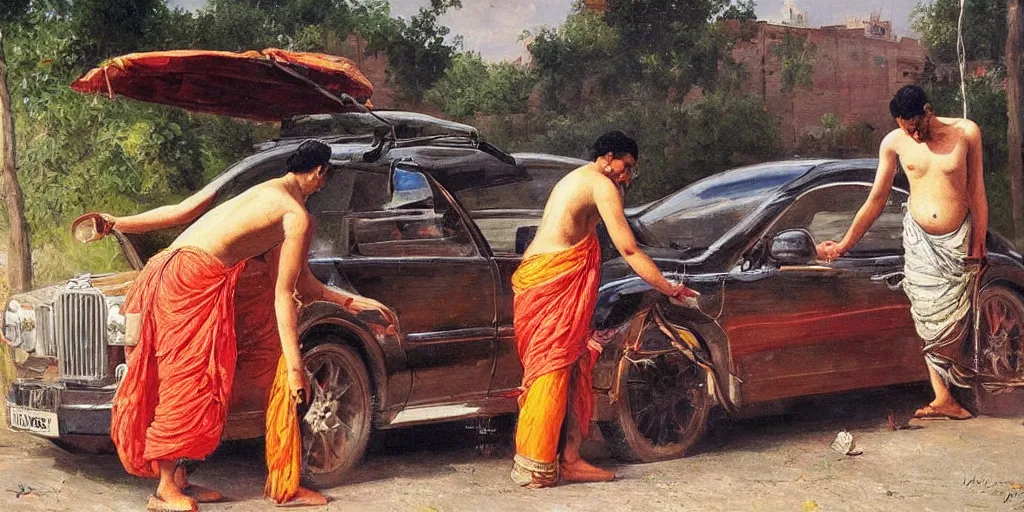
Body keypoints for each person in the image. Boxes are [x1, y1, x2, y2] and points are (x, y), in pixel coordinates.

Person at [88, 140, 377, 511]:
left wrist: (116, 223)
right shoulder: (295, 215)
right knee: (189, 380)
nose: (324, 184)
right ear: (319, 172)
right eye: (325, 177)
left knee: (205, 376)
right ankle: (165, 490)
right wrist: (294, 368)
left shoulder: (261, 191)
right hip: (190, 280)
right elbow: (284, 295)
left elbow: (182, 211)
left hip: (165, 270)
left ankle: (180, 479)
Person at [510, 131, 698, 487]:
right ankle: (536, 466)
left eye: (631, 171)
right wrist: (669, 288)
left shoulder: (578, 178)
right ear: (609, 157)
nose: (627, 176)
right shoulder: (600, 184)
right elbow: (628, 250)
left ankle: (568, 460)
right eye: (626, 166)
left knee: (570, 367)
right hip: (551, 282)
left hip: (542, 279)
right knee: (552, 370)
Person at [817, 85, 987, 421]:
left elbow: (976, 190)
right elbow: (876, 199)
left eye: (915, 126)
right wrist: (843, 244)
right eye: (904, 128)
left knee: (959, 319)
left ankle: (973, 391)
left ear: (927, 110)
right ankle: (942, 398)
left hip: (958, 243)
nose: (912, 134)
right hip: (921, 243)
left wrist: (979, 242)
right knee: (924, 316)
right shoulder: (894, 142)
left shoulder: (967, 132)